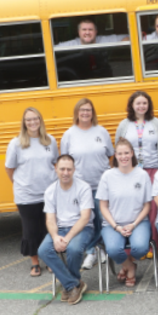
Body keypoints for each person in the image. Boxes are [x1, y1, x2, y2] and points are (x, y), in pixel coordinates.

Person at [4, 107, 60, 277]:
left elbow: (55, 163)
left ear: (40, 120)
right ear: (24, 123)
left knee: (48, 227)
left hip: (48, 193)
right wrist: (19, 184)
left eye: (35, 118)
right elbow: (9, 168)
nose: (32, 122)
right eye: (28, 119)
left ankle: (50, 259)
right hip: (26, 195)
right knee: (31, 230)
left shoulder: (50, 141)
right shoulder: (17, 143)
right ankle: (35, 262)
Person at [60, 98, 113, 270]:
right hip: (81, 187)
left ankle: (100, 249)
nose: (85, 113)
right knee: (88, 221)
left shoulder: (101, 131)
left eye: (88, 110)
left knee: (102, 219)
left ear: (93, 112)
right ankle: (91, 251)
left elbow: (110, 156)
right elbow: (65, 162)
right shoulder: (69, 134)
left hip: (102, 185)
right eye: (82, 110)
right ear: (77, 113)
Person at [37, 155, 93, 305]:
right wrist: (55, 237)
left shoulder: (83, 188)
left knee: (74, 249)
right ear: (56, 169)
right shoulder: (50, 191)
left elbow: (85, 218)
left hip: (82, 228)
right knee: (43, 250)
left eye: (69, 169)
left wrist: (66, 239)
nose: (65, 172)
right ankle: (73, 284)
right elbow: (50, 219)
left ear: (74, 170)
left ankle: (70, 285)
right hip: (60, 229)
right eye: (62, 169)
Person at [97, 139, 153, 286]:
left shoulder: (142, 175)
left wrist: (134, 225)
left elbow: (147, 205)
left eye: (127, 153)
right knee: (113, 249)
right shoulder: (107, 176)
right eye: (120, 153)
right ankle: (129, 267)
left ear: (132, 153)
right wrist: (116, 226)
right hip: (113, 224)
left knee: (140, 247)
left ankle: (127, 265)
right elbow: (103, 206)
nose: (124, 157)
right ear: (115, 155)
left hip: (138, 222)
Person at [114, 90, 158, 225]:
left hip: (154, 170)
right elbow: (118, 146)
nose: (141, 106)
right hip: (132, 171)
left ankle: (155, 241)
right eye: (138, 103)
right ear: (132, 105)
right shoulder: (124, 125)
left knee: (154, 205)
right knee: (135, 204)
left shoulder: (156, 123)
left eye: (144, 103)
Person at [56, 17, 125, 46]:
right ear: (78, 32)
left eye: (90, 29)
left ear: (96, 31)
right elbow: (54, 48)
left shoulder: (103, 40)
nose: (87, 32)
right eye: (84, 30)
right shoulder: (73, 44)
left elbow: (130, 37)